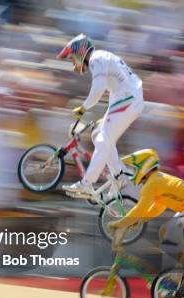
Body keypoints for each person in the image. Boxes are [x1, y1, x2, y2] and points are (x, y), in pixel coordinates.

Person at [58, 34, 144, 194]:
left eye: (72, 58)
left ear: (80, 52)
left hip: (128, 98)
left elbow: (98, 89)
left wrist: (83, 108)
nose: (73, 64)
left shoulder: (96, 59)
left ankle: (87, 183)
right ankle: (119, 175)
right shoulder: (101, 57)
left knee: (104, 139)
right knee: (98, 134)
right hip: (127, 97)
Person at [108, 149, 184, 239]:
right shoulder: (158, 178)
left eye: (135, 169)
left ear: (143, 166)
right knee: (168, 233)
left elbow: (139, 210)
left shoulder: (151, 184)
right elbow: (158, 207)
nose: (133, 172)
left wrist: (118, 224)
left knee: (172, 236)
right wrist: (139, 220)